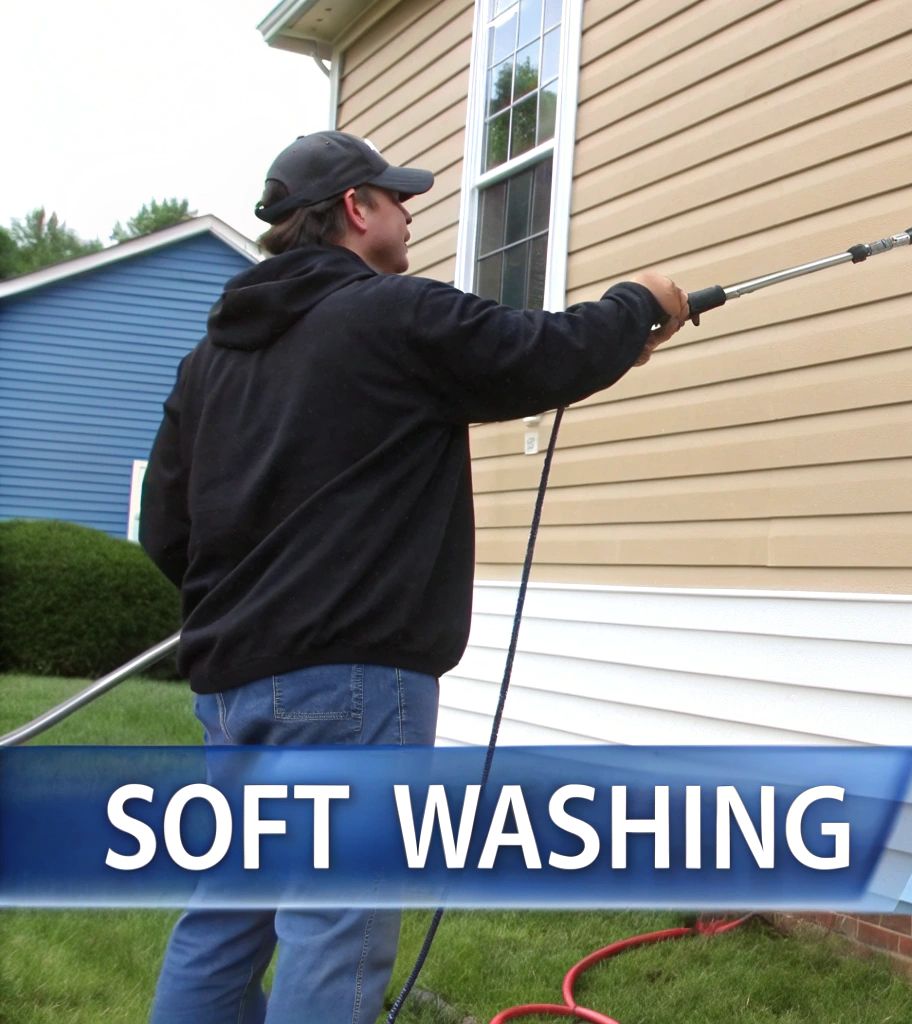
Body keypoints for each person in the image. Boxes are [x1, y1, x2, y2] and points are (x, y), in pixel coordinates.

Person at [138, 130, 687, 1024]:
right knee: (335, 916)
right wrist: (642, 304)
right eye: (395, 198)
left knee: (229, 909)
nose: (408, 212)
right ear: (355, 210)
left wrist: (245, 603)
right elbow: (539, 352)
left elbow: (166, 530)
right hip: (353, 685)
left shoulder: (210, 365)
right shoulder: (392, 316)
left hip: (231, 684)